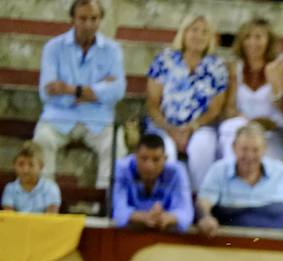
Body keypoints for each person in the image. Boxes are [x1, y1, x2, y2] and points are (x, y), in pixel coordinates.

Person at [32, 0, 126, 190]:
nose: (89, 24)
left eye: (94, 18)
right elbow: (47, 92)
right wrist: (98, 91)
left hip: (98, 119)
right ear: (73, 19)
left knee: (116, 147)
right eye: (83, 18)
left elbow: (117, 91)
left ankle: (103, 204)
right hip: (58, 116)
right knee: (42, 140)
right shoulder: (53, 47)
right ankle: (47, 203)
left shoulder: (112, 50)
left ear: (101, 20)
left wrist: (71, 89)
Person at [144, 12, 228, 191]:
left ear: (211, 37)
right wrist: (170, 128)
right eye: (194, 30)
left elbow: (215, 109)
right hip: (163, 125)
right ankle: (165, 201)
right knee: (165, 150)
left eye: (205, 32)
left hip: (200, 127)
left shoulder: (217, 66)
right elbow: (152, 103)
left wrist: (191, 128)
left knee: (202, 148)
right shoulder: (164, 60)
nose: (198, 36)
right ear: (184, 33)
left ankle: (200, 201)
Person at [196, 123, 283, 234]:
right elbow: (204, 200)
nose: (249, 156)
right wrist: (206, 217)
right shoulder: (219, 170)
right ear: (234, 147)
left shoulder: (280, 171)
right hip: (230, 242)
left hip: (274, 243)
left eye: (255, 150)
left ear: (264, 149)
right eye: (244, 149)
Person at [217, 17, 283, 163]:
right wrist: (247, 122)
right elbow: (229, 109)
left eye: (258, 37)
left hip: (271, 131)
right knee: (229, 128)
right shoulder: (236, 68)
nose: (252, 43)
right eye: (247, 37)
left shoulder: (279, 66)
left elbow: (282, 110)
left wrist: (274, 81)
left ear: (268, 41)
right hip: (242, 126)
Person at [111, 132, 193, 233]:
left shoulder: (177, 172)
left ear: (165, 159)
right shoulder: (122, 168)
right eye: (144, 159)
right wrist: (144, 217)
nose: (149, 166)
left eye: (156, 159)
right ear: (135, 156)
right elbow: (118, 211)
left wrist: (167, 218)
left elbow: (186, 212)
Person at [2, 143, 62, 214]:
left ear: (41, 166)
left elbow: (51, 219)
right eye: (21, 164)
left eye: (31, 165)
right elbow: (10, 218)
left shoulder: (50, 188)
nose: (25, 170)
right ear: (14, 165)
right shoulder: (10, 189)